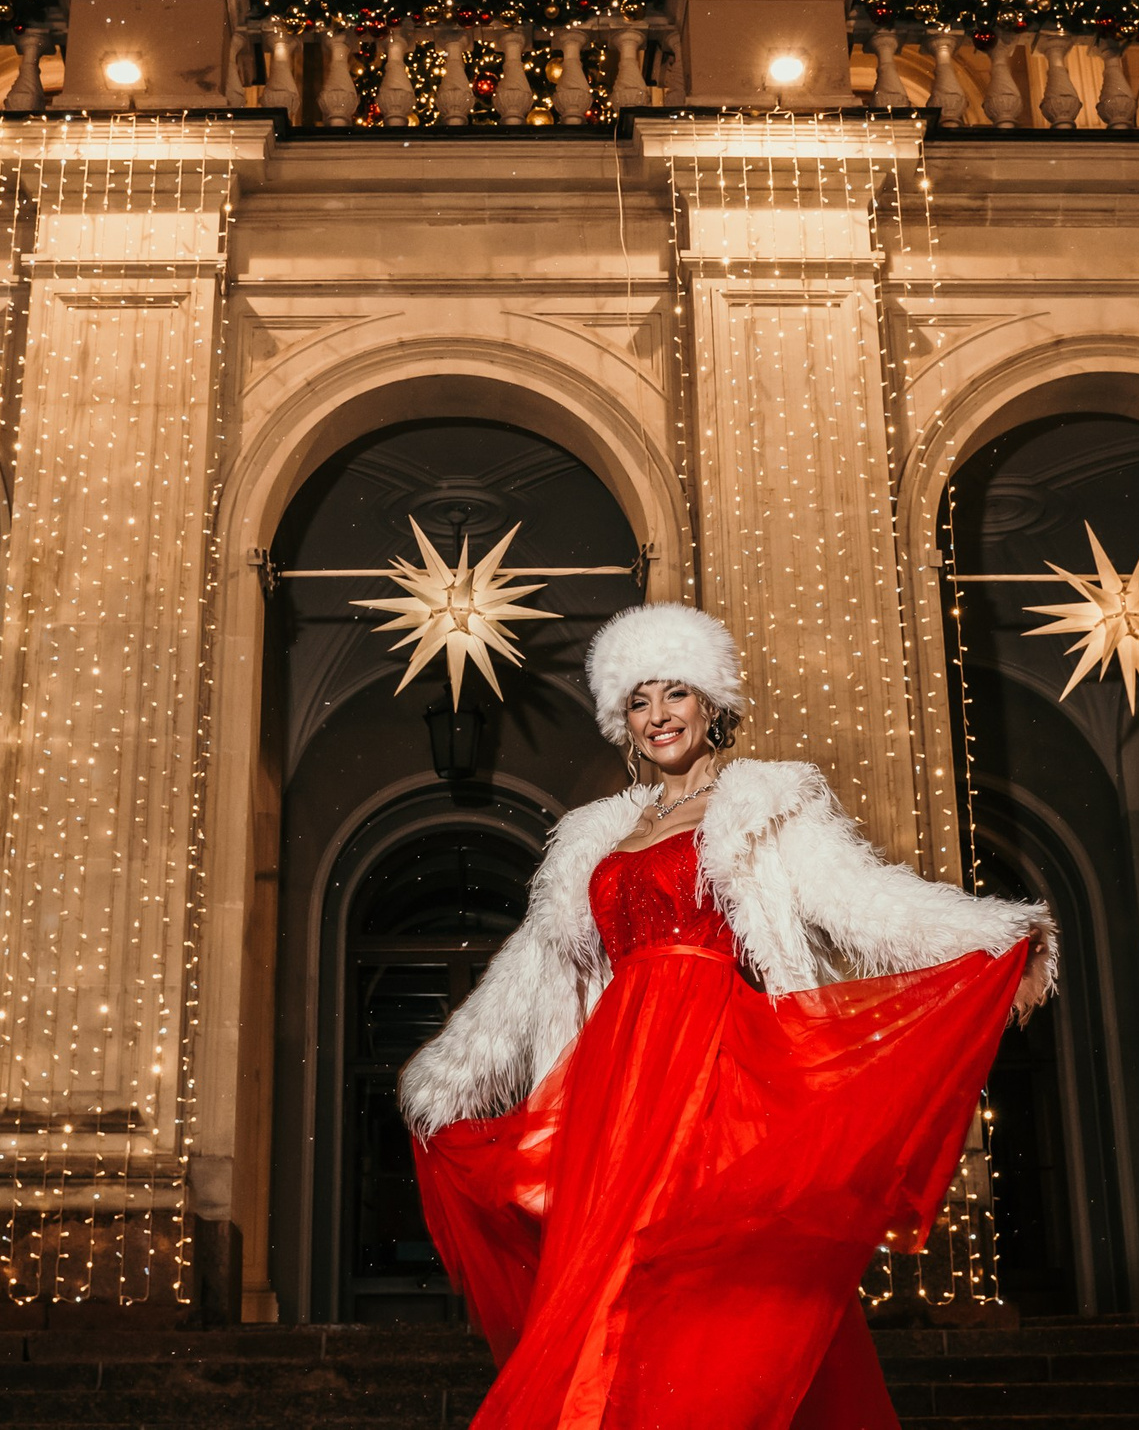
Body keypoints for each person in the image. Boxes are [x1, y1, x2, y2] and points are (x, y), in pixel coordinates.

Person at [402, 602, 1057, 1430]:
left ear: (712, 704)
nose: (659, 715)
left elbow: (864, 900)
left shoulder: (762, 807)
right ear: (622, 721)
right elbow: (534, 969)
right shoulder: (596, 837)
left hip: (718, 1068)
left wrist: (997, 932)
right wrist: (450, 1075)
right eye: (640, 701)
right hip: (617, 1086)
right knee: (611, 1282)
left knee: (703, 1284)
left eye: (677, 693)